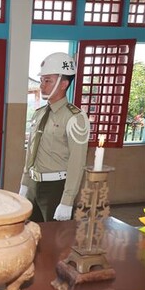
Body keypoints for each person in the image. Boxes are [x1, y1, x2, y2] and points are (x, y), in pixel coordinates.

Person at [19, 52, 89, 223]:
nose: (42, 85)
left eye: (48, 80)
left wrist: (67, 200)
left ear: (64, 83)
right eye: (42, 80)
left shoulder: (75, 117)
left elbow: (77, 162)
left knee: (55, 243)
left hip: (56, 188)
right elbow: (31, 153)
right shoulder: (40, 114)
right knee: (33, 235)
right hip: (34, 185)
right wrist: (25, 183)